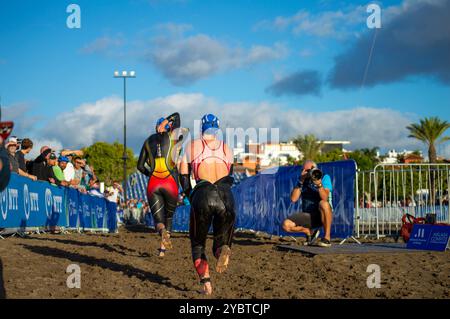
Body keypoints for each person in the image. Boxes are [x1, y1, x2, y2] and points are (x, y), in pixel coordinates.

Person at [180, 113, 235, 295]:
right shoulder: (227, 148)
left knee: (197, 244)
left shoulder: (192, 145)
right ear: (217, 129)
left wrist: (191, 196)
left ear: (201, 128)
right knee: (219, 243)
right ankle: (222, 251)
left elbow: (183, 176)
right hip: (226, 196)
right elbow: (230, 175)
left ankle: (206, 283)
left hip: (204, 193)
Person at [137, 112, 185, 257]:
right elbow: (177, 116)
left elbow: (140, 166)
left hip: (154, 183)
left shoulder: (147, 141)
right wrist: (168, 122)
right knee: (168, 217)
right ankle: (163, 250)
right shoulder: (173, 138)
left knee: (158, 220)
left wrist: (151, 174)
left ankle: (162, 232)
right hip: (171, 181)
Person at [282, 160, 333, 247]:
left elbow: (325, 198)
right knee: (286, 225)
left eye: (309, 170)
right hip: (308, 216)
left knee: (323, 203)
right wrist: (301, 181)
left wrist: (319, 184)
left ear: (315, 168)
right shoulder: (302, 180)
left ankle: (327, 238)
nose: (308, 172)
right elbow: (293, 199)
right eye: (304, 170)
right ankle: (307, 231)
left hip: (323, 214)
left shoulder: (324, 177)